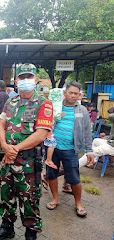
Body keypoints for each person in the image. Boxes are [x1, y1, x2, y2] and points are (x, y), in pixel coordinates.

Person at [0, 63, 53, 240]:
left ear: (36, 79)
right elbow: (1, 124)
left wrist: (15, 149)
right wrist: (4, 145)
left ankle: (31, 232)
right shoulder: (11, 101)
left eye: (29, 77)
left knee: (29, 199)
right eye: (22, 77)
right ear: (16, 80)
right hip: (8, 161)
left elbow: (41, 134)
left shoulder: (44, 104)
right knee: (6, 194)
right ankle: (7, 227)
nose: (25, 80)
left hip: (28, 163)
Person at [45, 81, 93, 218]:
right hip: (52, 148)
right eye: (70, 92)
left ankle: (78, 203)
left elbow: (87, 132)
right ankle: (55, 199)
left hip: (71, 149)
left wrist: (89, 151)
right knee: (51, 174)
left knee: (74, 178)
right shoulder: (56, 107)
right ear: (64, 93)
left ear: (79, 95)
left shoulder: (82, 110)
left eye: (76, 93)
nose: (73, 95)